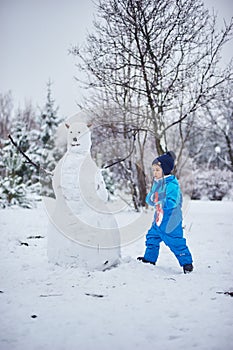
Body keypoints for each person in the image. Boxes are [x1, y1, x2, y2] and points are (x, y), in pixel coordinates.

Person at [137, 151, 193, 274]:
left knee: (176, 242)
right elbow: (150, 199)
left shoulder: (172, 185)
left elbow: (172, 202)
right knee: (151, 238)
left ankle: (187, 263)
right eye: (153, 170)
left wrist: (160, 199)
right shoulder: (157, 184)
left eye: (157, 170)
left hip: (171, 222)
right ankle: (149, 259)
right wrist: (152, 199)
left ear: (165, 170)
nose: (154, 173)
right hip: (158, 221)